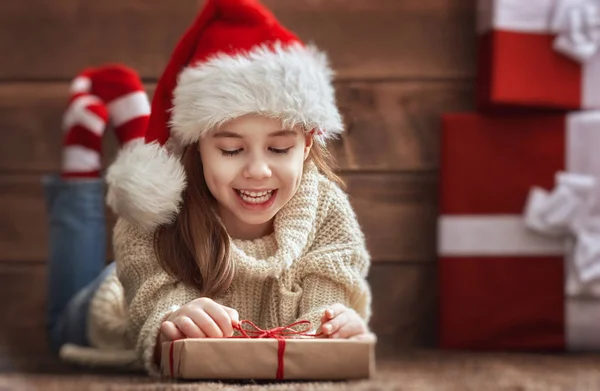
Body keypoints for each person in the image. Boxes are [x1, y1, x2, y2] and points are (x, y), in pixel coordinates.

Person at [47, 0, 373, 377]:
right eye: (231, 149)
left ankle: (135, 130)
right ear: (196, 147)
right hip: (113, 302)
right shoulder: (158, 212)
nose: (258, 170)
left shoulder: (326, 210)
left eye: (279, 148)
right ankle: (80, 162)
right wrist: (172, 318)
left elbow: (328, 297)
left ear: (307, 146)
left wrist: (332, 328)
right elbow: (154, 304)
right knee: (59, 326)